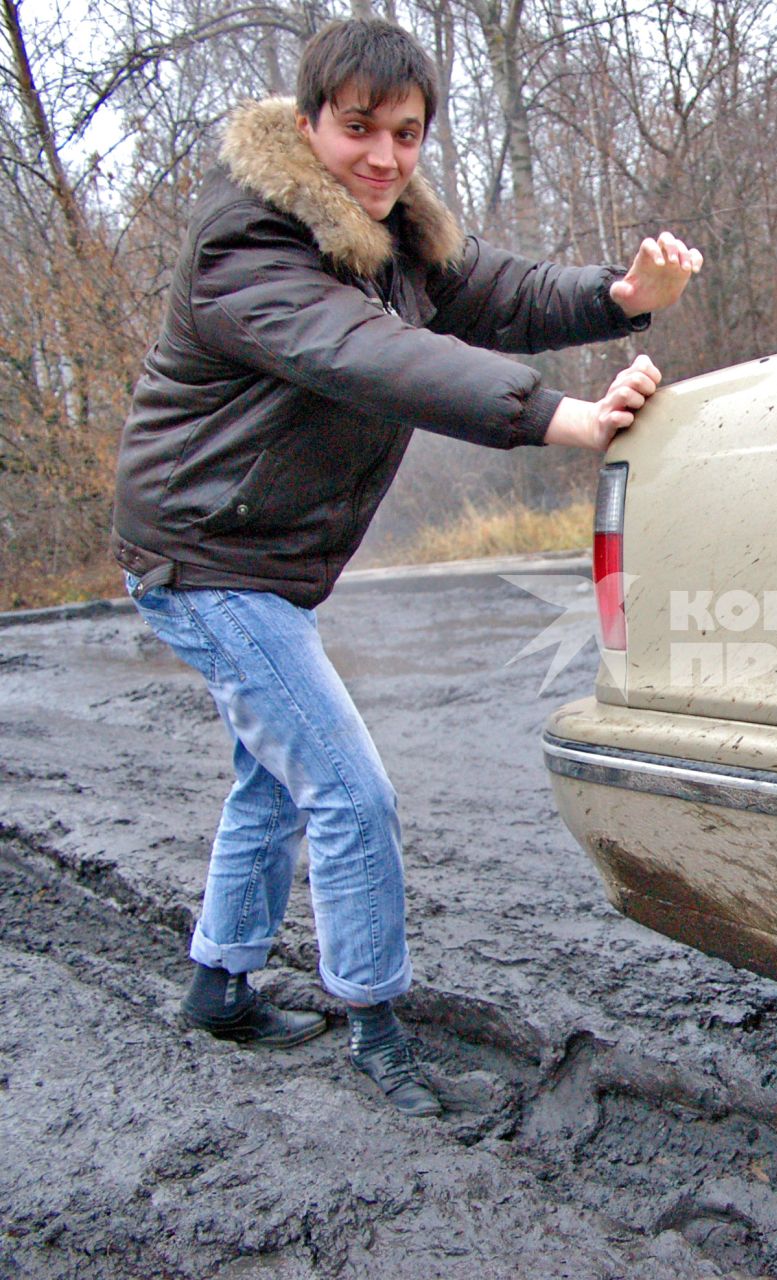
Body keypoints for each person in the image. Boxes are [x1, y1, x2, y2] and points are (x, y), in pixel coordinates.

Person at [110, 17, 701, 1117]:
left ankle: (217, 981)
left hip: (262, 559)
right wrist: (559, 416)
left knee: (271, 771)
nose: (383, 157)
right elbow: (375, 356)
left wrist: (616, 296)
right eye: (358, 130)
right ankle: (377, 1029)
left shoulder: (399, 238)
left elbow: (502, 291)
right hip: (201, 556)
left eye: (407, 134)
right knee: (348, 788)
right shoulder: (250, 248)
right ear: (307, 127)